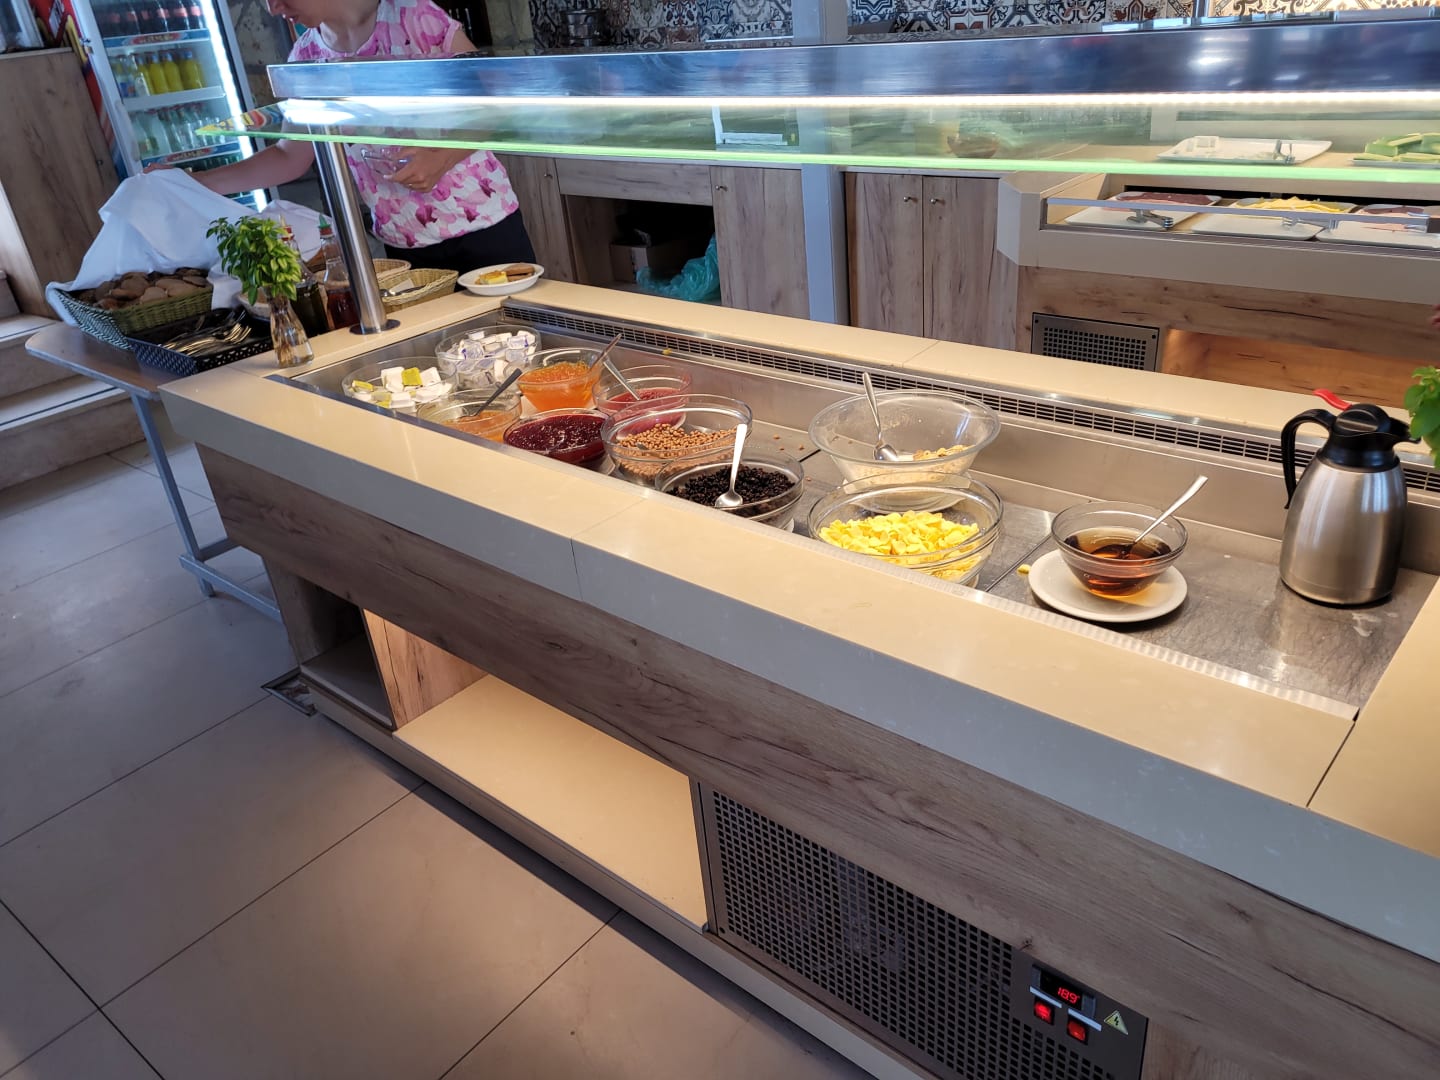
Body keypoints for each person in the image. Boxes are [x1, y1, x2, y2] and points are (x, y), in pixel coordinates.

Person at [166, 0, 534, 275]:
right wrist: (193, 182)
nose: (273, 8)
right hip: (403, 246)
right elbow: (290, 156)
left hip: (485, 230)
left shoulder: (413, 16)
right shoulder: (306, 56)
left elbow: (494, 105)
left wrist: (441, 158)